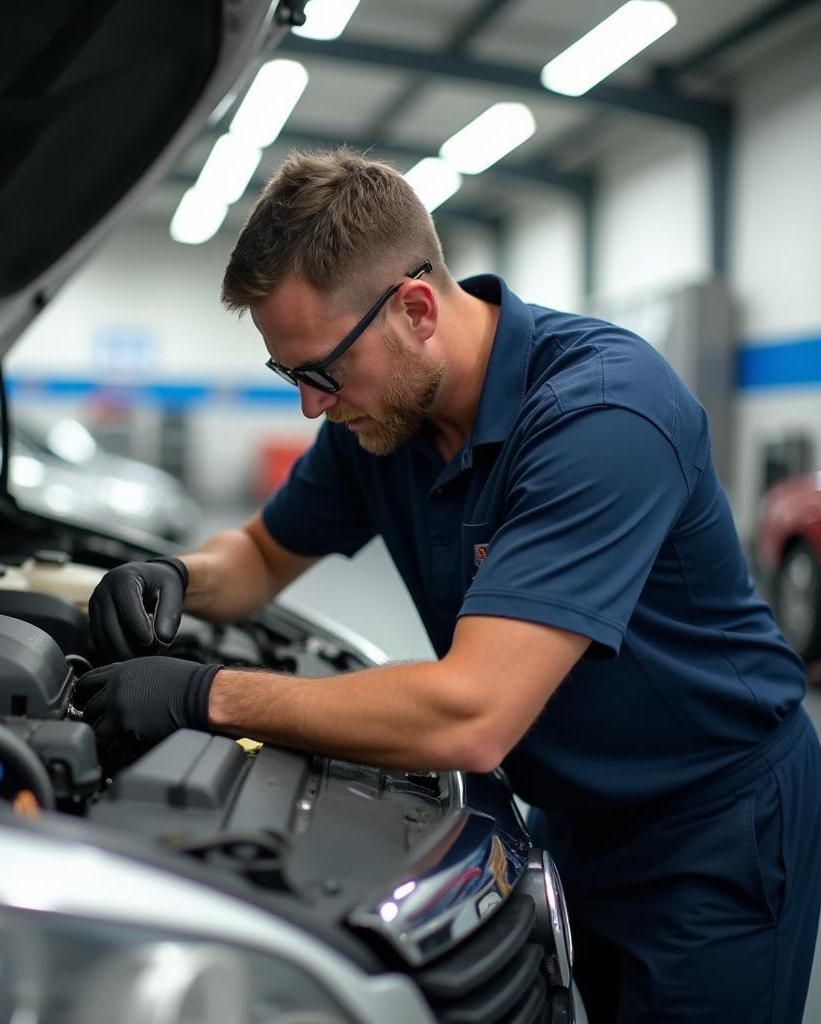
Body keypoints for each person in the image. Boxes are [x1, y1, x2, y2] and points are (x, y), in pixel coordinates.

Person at [78, 148, 821, 1022]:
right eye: (291, 377)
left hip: (712, 825)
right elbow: (259, 558)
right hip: (574, 809)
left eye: (320, 372)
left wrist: (204, 695)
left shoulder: (602, 415)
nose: (311, 408)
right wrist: (174, 577)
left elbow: (473, 712)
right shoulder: (381, 420)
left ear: (417, 309)